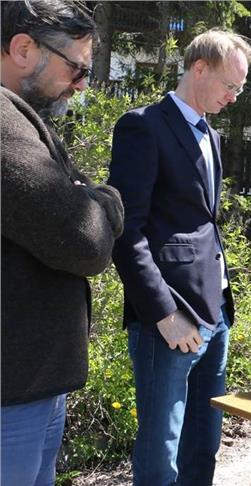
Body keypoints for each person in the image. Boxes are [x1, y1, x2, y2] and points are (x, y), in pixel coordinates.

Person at [108, 29, 251, 485]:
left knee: (202, 446)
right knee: (160, 453)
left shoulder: (208, 134)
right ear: (199, 68)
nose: (233, 98)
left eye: (240, 90)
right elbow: (125, 230)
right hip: (170, 320)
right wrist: (163, 312)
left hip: (215, 314)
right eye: (230, 86)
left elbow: (200, 225)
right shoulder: (143, 126)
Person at [0, 1, 124, 484]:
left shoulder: (23, 117)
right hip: (12, 392)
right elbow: (85, 241)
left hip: (30, 385)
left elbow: (79, 207)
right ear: (24, 48)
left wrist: (91, 200)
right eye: (76, 67)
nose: (82, 83)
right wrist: (108, 202)